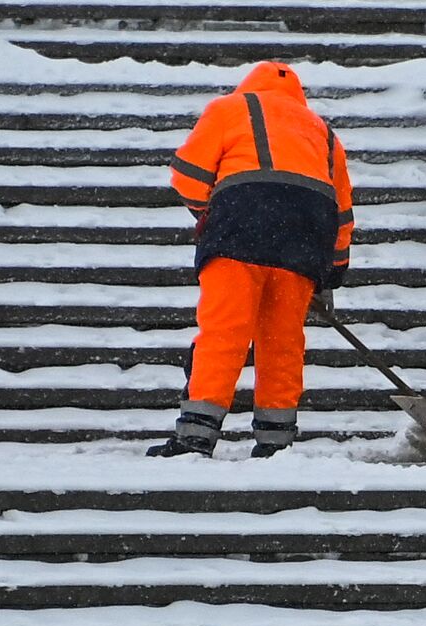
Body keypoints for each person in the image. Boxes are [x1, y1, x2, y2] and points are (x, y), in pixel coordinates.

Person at [147, 61, 354, 458]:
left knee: (224, 333)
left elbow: (188, 176)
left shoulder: (229, 108)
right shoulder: (323, 132)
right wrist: (332, 273)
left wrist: (212, 213)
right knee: (283, 343)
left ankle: (195, 436)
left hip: (240, 233)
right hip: (304, 241)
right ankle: (276, 443)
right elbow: (343, 212)